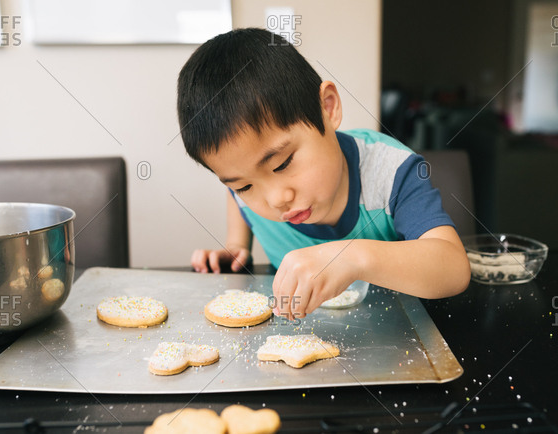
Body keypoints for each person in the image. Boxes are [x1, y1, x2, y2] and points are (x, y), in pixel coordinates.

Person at [177, 28, 470, 321]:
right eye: (244, 186)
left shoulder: (391, 171)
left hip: (396, 336)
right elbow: (235, 195)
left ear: (328, 108)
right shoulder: (249, 193)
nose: (276, 199)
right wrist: (236, 245)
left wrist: (353, 257)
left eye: (282, 164)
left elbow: (453, 268)